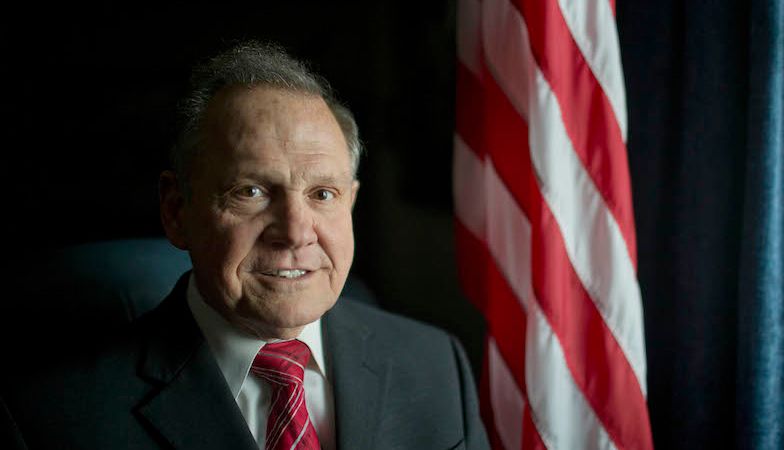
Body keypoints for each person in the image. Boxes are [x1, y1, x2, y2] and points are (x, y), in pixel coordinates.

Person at [0, 42, 489, 449]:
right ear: (177, 211)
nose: (295, 231)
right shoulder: (50, 417)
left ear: (351, 203)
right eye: (251, 192)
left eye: (323, 194)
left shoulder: (435, 364)